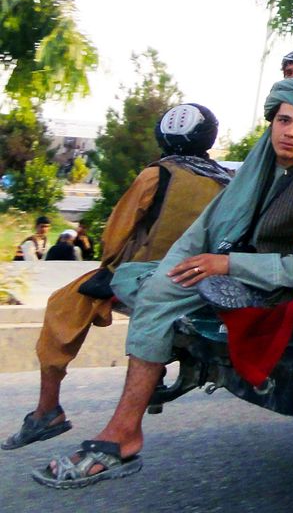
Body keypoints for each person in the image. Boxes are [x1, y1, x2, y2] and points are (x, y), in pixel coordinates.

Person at [32, 79, 293, 489]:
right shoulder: (256, 170)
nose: (290, 132)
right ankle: (130, 401)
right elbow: (201, 231)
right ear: (271, 122)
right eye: (284, 120)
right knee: (140, 280)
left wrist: (226, 263)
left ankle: (123, 432)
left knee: (158, 299)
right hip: (225, 270)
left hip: (273, 287)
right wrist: (176, 268)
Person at [2, 104, 231, 453]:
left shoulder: (158, 174)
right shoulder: (225, 179)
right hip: (203, 278)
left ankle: (47, 411)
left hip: (144, 273)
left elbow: (115, 234)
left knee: (63, 305)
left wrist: (111, 268)